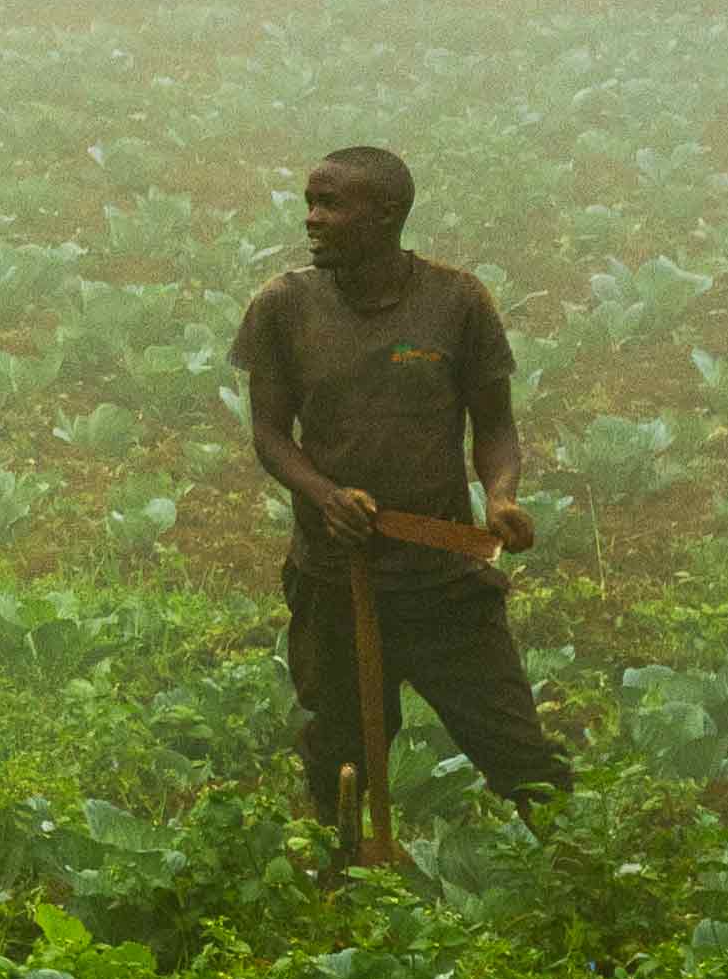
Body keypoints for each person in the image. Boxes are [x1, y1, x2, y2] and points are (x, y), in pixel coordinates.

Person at [232, 141, 565, 850]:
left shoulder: (456, 301)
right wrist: (324, 496)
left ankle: (587, 888)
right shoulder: (283, 307)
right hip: (335, 581)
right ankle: (350, 901)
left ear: (387, 214)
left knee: (524, 760)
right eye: (309, 204)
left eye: (330, 204)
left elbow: (496, 427)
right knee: (343, 770)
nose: (312, 219)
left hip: (443, 583)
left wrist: (500, 497)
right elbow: (269, 434)